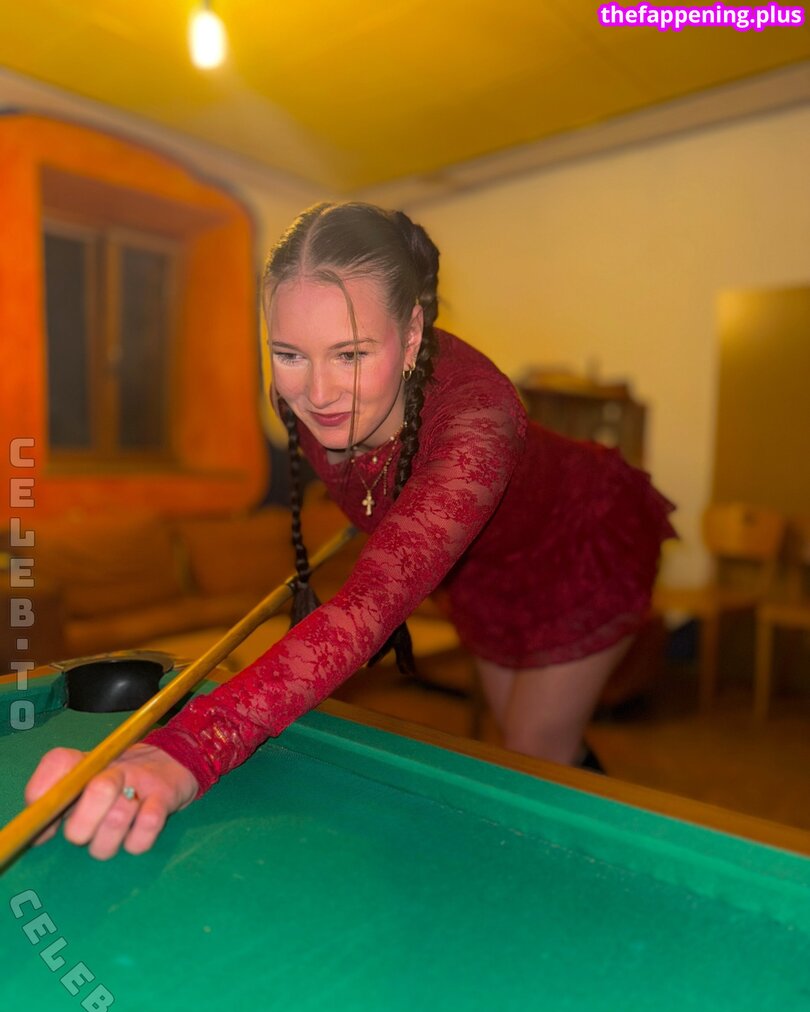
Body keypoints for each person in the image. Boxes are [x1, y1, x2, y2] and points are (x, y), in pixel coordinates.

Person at [26, 202, 676, 860]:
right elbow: (371, 477)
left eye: (352, 353)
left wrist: (185, 750)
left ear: (412, 334)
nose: (318, 393)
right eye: (289, 353)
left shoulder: (480, 422)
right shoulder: (296, 394)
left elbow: (366, 610)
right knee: (521, 737)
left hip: (577, 541)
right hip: (480, 568)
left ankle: (624, 871)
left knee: (535, 749)